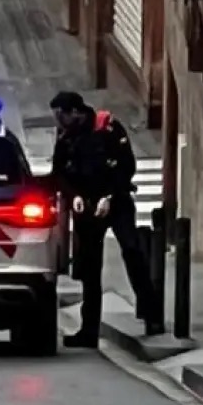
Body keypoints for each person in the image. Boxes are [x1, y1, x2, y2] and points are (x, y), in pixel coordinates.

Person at [49, 91, 161, 347]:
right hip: (87, 207)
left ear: (75, 112)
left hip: (116, 201)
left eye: (61, 116)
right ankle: (89, 330)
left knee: (133, 253)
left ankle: (152, 315)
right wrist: (73, 195)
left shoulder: (107, 128)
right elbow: (60, 172)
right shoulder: (66, 138)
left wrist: (109, 196)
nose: (59, 122)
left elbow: (126, 166)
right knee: (90, 270)